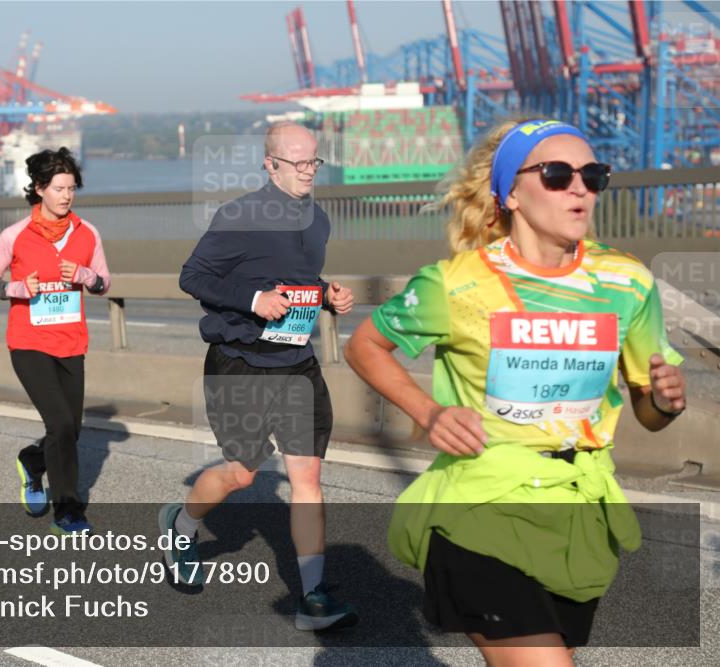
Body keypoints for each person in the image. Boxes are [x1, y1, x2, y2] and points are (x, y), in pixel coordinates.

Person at [344, 118, 687, 664]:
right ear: (510, 194)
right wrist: (429, 413)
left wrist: (664, 401)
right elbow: (364, 345)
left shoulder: (627, 282)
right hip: (481, 507)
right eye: (557, 174)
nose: (579, 188)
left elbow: (648, 409)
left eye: (592, 175)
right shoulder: (456, 283)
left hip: (577, 513)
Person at [159, 121, 359, 631]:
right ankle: (181, 526)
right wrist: (254, 301)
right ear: (270, 165)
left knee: (307, 478)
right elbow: (193, 276)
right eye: (298, 163)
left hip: (296, 363)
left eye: (314, 161)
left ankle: (312, 596)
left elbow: (297, 279)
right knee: (241, 474)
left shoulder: (318, 220)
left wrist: (327, 294)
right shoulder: (240, 216)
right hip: (240, 361)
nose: (309, 172)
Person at [0, 147, 111, 535]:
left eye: (71, 188)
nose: (67, 196)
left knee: (70, 430)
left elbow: (104, 283)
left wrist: (86, 276)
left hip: (72, 342)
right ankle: (68, 510)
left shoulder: (88, 234)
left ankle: (33, 463)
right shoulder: (15, 235)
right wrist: (15, 288)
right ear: (39, 189)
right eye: (58, 188)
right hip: (29, 342)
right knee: (58, 423)